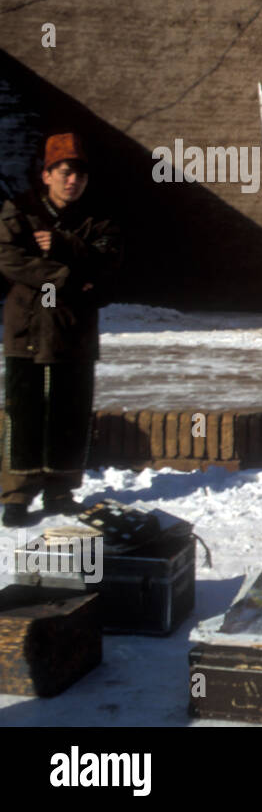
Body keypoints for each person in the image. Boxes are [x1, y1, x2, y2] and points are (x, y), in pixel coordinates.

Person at [0, 133, 122, 526]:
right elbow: (9, 258)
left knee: (70, 411)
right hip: (29, 329)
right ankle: (16, 494)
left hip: (75, 331)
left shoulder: (97, 219)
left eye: (80, 176)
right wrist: (66, 276)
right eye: (66, 173)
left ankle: (60, 490)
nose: (73, 182)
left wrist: (64, 244)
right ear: (47, 174)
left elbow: (109, 261)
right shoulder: (19, 211)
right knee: (25, 411)